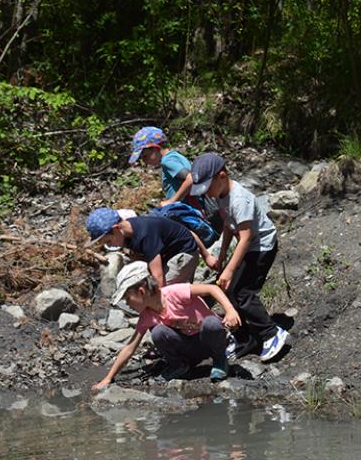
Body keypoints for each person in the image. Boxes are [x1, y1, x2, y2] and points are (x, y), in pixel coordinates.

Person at [189, 152, 291, 361]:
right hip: (248, 245)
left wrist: (229, 269)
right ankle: (244, 337)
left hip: (261, 246)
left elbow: (246, 237)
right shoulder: (220, 195)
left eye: (208, 188)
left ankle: (271, 333)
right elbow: (228, 224)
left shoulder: (239, 199)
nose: (207, 194)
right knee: (230, 291)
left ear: (222, 176)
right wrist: (223, 254)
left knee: (244, 293)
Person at [93, 262, 240, 387]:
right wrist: (108, 378)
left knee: (211, 323)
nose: (127, 303)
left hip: (208, 341)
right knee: (158, 332)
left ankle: (220, 360)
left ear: (141, 291)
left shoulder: (174, 293)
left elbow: (211, 288)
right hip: (189, 349)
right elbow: (130, 347)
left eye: (127, 298)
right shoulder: (147, 316)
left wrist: (230, 310)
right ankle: (179, 365)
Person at [86, 206, 205, 287]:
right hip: (168, 255)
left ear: (116, 229)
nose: (109, 246)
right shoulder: (127, 234)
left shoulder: (144, 234)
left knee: (165, 290)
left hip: (184, 254)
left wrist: (206, 255)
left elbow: (158, 276)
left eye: (108, 241)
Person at [128, 126, 195, 205]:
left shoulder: (167, 161)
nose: (144, 161)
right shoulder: (175, 156)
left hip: (186, 209)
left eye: (145, 156)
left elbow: (191, 179)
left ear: (154, 148)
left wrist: (172, 201)